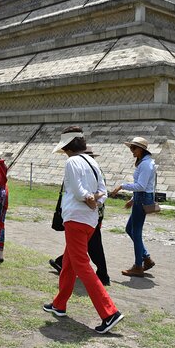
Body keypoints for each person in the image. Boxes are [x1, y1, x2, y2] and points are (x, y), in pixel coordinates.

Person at [43, 127, 123, 334]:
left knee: (81, 266)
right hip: (90, 220)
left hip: (76, 219)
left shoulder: (71, 162)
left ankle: (109, 312)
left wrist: (88, 199)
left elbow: (78, 192)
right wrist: (93, 201)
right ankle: (59, 304)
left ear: (67, 147)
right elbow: (103, 193)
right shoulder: (93, 162)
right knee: (69, 263)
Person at [49, 147, 110, 286]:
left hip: (84, 215)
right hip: (93, 214)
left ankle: (102, 275)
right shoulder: (95, 171)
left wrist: (91, 200)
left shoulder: (84, 171)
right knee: (83, 245)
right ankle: (61, 264)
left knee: (91, 247)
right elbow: (101, 193)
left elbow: (78, 193)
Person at [111, 137, 157, 278]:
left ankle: (138, 266)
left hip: (142, 198)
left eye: (133, 148)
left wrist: (122, 186)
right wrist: (133, 199)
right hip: (141, 198)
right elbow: (147, 186)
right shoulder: (146, 163)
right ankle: (146, 258)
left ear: (141, 149)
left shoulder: (145, 165)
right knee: (130, 229)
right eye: (131, 148)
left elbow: (142, 186)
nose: (132, 151)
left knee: (136, 232)